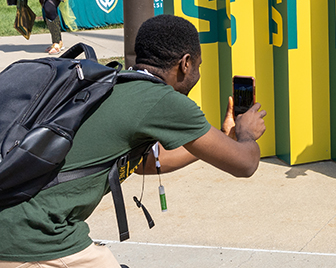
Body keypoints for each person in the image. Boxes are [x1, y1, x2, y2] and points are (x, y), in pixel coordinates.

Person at [0, 14, 268, 268]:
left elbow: (148, 162)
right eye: (198, 66)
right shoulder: (162, 100)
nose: (197, 73)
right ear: (185, 63)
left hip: (11, 214)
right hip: (35, 234)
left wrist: (222, 139)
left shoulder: (114, 84)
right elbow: (244, 164)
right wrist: (245, 133)